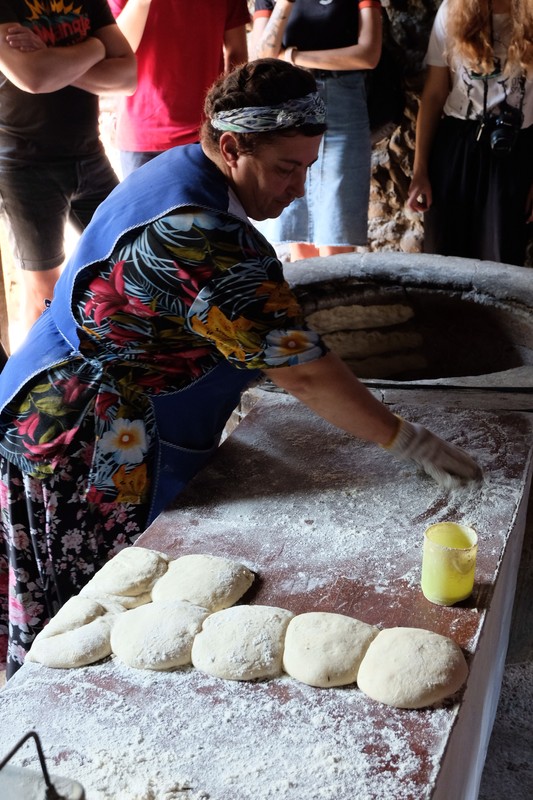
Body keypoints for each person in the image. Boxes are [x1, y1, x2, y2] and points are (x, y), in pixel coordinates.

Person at [0, 58, 481, 679]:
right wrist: (404, 438)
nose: (299, 188)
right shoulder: (200, 233)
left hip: (64, 393)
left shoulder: (180, 166)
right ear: (230, 146)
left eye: (308, 166)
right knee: (94, 632)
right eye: (286, 167)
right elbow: (302, 370)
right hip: (81, 437)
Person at [0, 0, 137, 334]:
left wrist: (51, 56)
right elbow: (33, 76)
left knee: (132, 260)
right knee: (44, 290)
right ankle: (31, 383)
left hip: (90, 155)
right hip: (24, 163)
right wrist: (95, 46)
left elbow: (128, 76)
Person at [250, 0, 382, 261]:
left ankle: (338, 297)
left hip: (344, 102)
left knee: (338, 221)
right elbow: (261, 57)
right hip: (288, 104)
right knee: (295, 219)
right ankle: (308, 300)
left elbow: (369, 54)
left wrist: (291, 57)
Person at [406, 0, 533, 266]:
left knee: (502, 262)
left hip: (515, 150)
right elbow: (434, 94)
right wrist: (420, 171)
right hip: (457, 146)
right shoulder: (453, 9)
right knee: (444, 258)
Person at [108, 0, 250, 177]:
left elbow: (237, 55)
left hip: (207, 132)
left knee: (210, 204)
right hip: (143, 132)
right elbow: (116, 51)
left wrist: (232, 120)